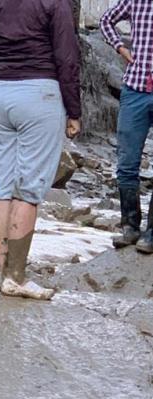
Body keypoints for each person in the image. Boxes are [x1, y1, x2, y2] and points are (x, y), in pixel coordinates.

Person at [0, 0, 81, 300]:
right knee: (28, 191)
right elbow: (67, 58)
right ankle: (17, 276)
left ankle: (2, 273)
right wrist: (74, 111)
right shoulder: (54, 2)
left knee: (2, 189)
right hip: (39, 93)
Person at [100, 0, 153, 254]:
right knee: (127, 162)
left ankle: (152, 233)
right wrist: (121, 47)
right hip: (135, 89)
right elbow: (105, 20)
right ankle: (130, 226)